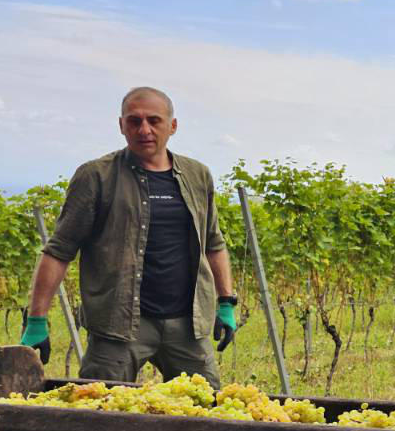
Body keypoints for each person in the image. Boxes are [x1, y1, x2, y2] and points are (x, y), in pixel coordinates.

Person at [20, 87, 239, 387]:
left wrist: (225, 301)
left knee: (206, 412)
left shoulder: (197, 175)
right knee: (104, 414)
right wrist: (36, 320)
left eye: (154, 120)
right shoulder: (96, 176)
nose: (144, 129)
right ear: (121, 125)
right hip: (117, 328)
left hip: (188, 326)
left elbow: (213, 243)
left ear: (172, 126)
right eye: (134, 121)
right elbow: (59, 251)